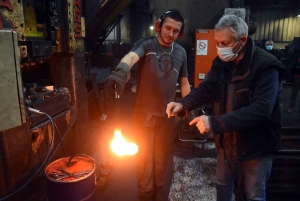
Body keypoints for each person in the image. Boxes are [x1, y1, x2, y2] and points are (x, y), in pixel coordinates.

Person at [166, 14, 285, 201]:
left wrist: (214, 122)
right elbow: (207, 88)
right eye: (217, 42)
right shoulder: (222, 63)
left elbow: (261, 110)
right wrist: (183, 104)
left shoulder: (266, 67)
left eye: (225, 43)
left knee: (253, 194)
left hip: (256, 145)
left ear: (243, 40)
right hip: (227, 142)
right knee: (222, 186)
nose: (220, 48)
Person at [104, 10, 191, 201]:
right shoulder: (147, 44)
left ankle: (160, 193)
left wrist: (189, 105)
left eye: (176, 31)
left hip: (167, 115)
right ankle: (145, 194)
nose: (171, 34)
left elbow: (184, 82)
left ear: (180, 33)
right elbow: (131, 57)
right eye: (168, 28)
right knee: (144, 157)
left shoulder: (181, 52)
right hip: (143, 114)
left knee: (161, 159)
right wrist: (121, 72)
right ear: (159, 26)